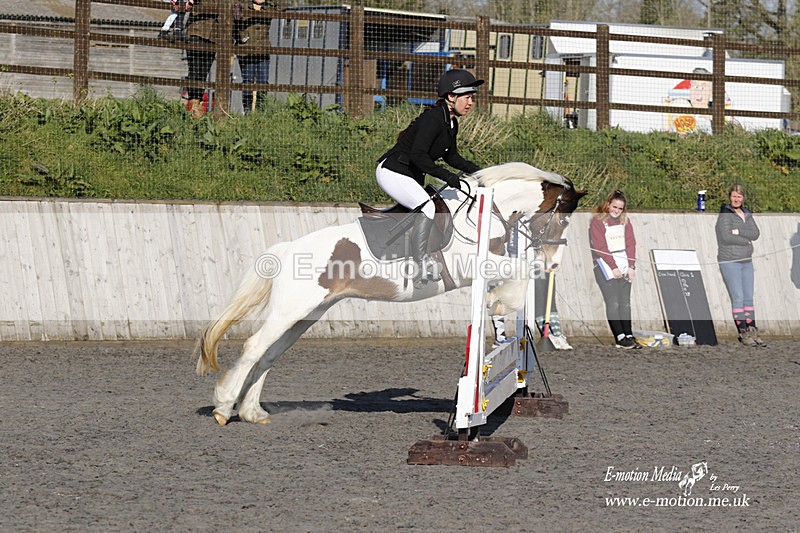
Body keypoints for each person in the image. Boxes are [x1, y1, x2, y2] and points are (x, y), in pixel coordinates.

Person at [376, 69, 483, 286]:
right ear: (451, 97)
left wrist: (480, 172)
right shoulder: (433, 119)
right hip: (392, 171)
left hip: (408, 174)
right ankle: (420, 263)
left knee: (432, 205)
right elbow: (418, 155)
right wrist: (446, 176)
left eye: (473, 97)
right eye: (467, 97)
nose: (471, 102)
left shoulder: (451, 122)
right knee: (428, 207)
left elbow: (451, 156)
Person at [184, 0, 273, 118]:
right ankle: (194, 107)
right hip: (197, 31)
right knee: (195, 70)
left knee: (204, 71)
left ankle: (198, 109)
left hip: (214, 36)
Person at [715, 184, 766, 347]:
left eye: (739, 196)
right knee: (737, 298)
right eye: (734, 196)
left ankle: (752, 327)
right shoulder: (725, 214)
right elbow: (726, 236)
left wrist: (739, 231)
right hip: (730, 260)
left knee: (748, 297)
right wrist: (745, 239)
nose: (736, 199)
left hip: (746, 260)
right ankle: (743, 331)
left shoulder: (747, 213)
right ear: (730, 197)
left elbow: (755, 233)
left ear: (743, 198)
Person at [589, 189, 640, 349]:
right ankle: (619, 335)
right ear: (608, 205)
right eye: (614, 207)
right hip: (605, 265)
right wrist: (613, 267)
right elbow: (600, 247)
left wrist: (631, 266)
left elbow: (631, 243)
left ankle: (629, 333)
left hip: (624, 262)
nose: (616, 211)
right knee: (614, 302)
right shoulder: (597, 222)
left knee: (625, 303)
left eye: (620, 208)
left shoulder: (626, 222)